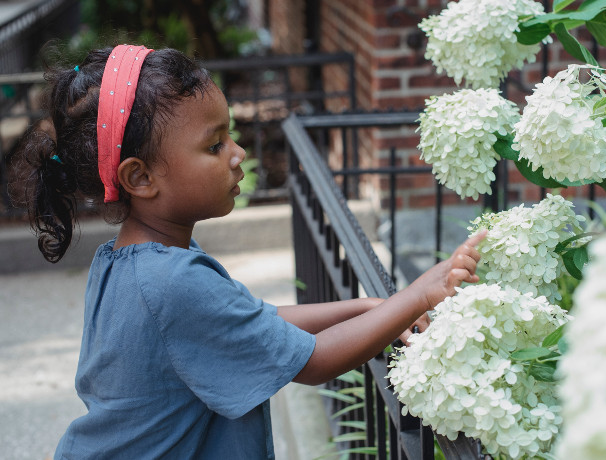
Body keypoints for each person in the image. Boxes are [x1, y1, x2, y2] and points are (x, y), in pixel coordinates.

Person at [16, 45, 485, 459]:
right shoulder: (172, 282)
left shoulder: (126, 260)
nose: (238, 153)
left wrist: (368, 307)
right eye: (215, 145)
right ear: (140, 178)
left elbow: (255, 319)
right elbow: (314, 360)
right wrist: (421, 295)